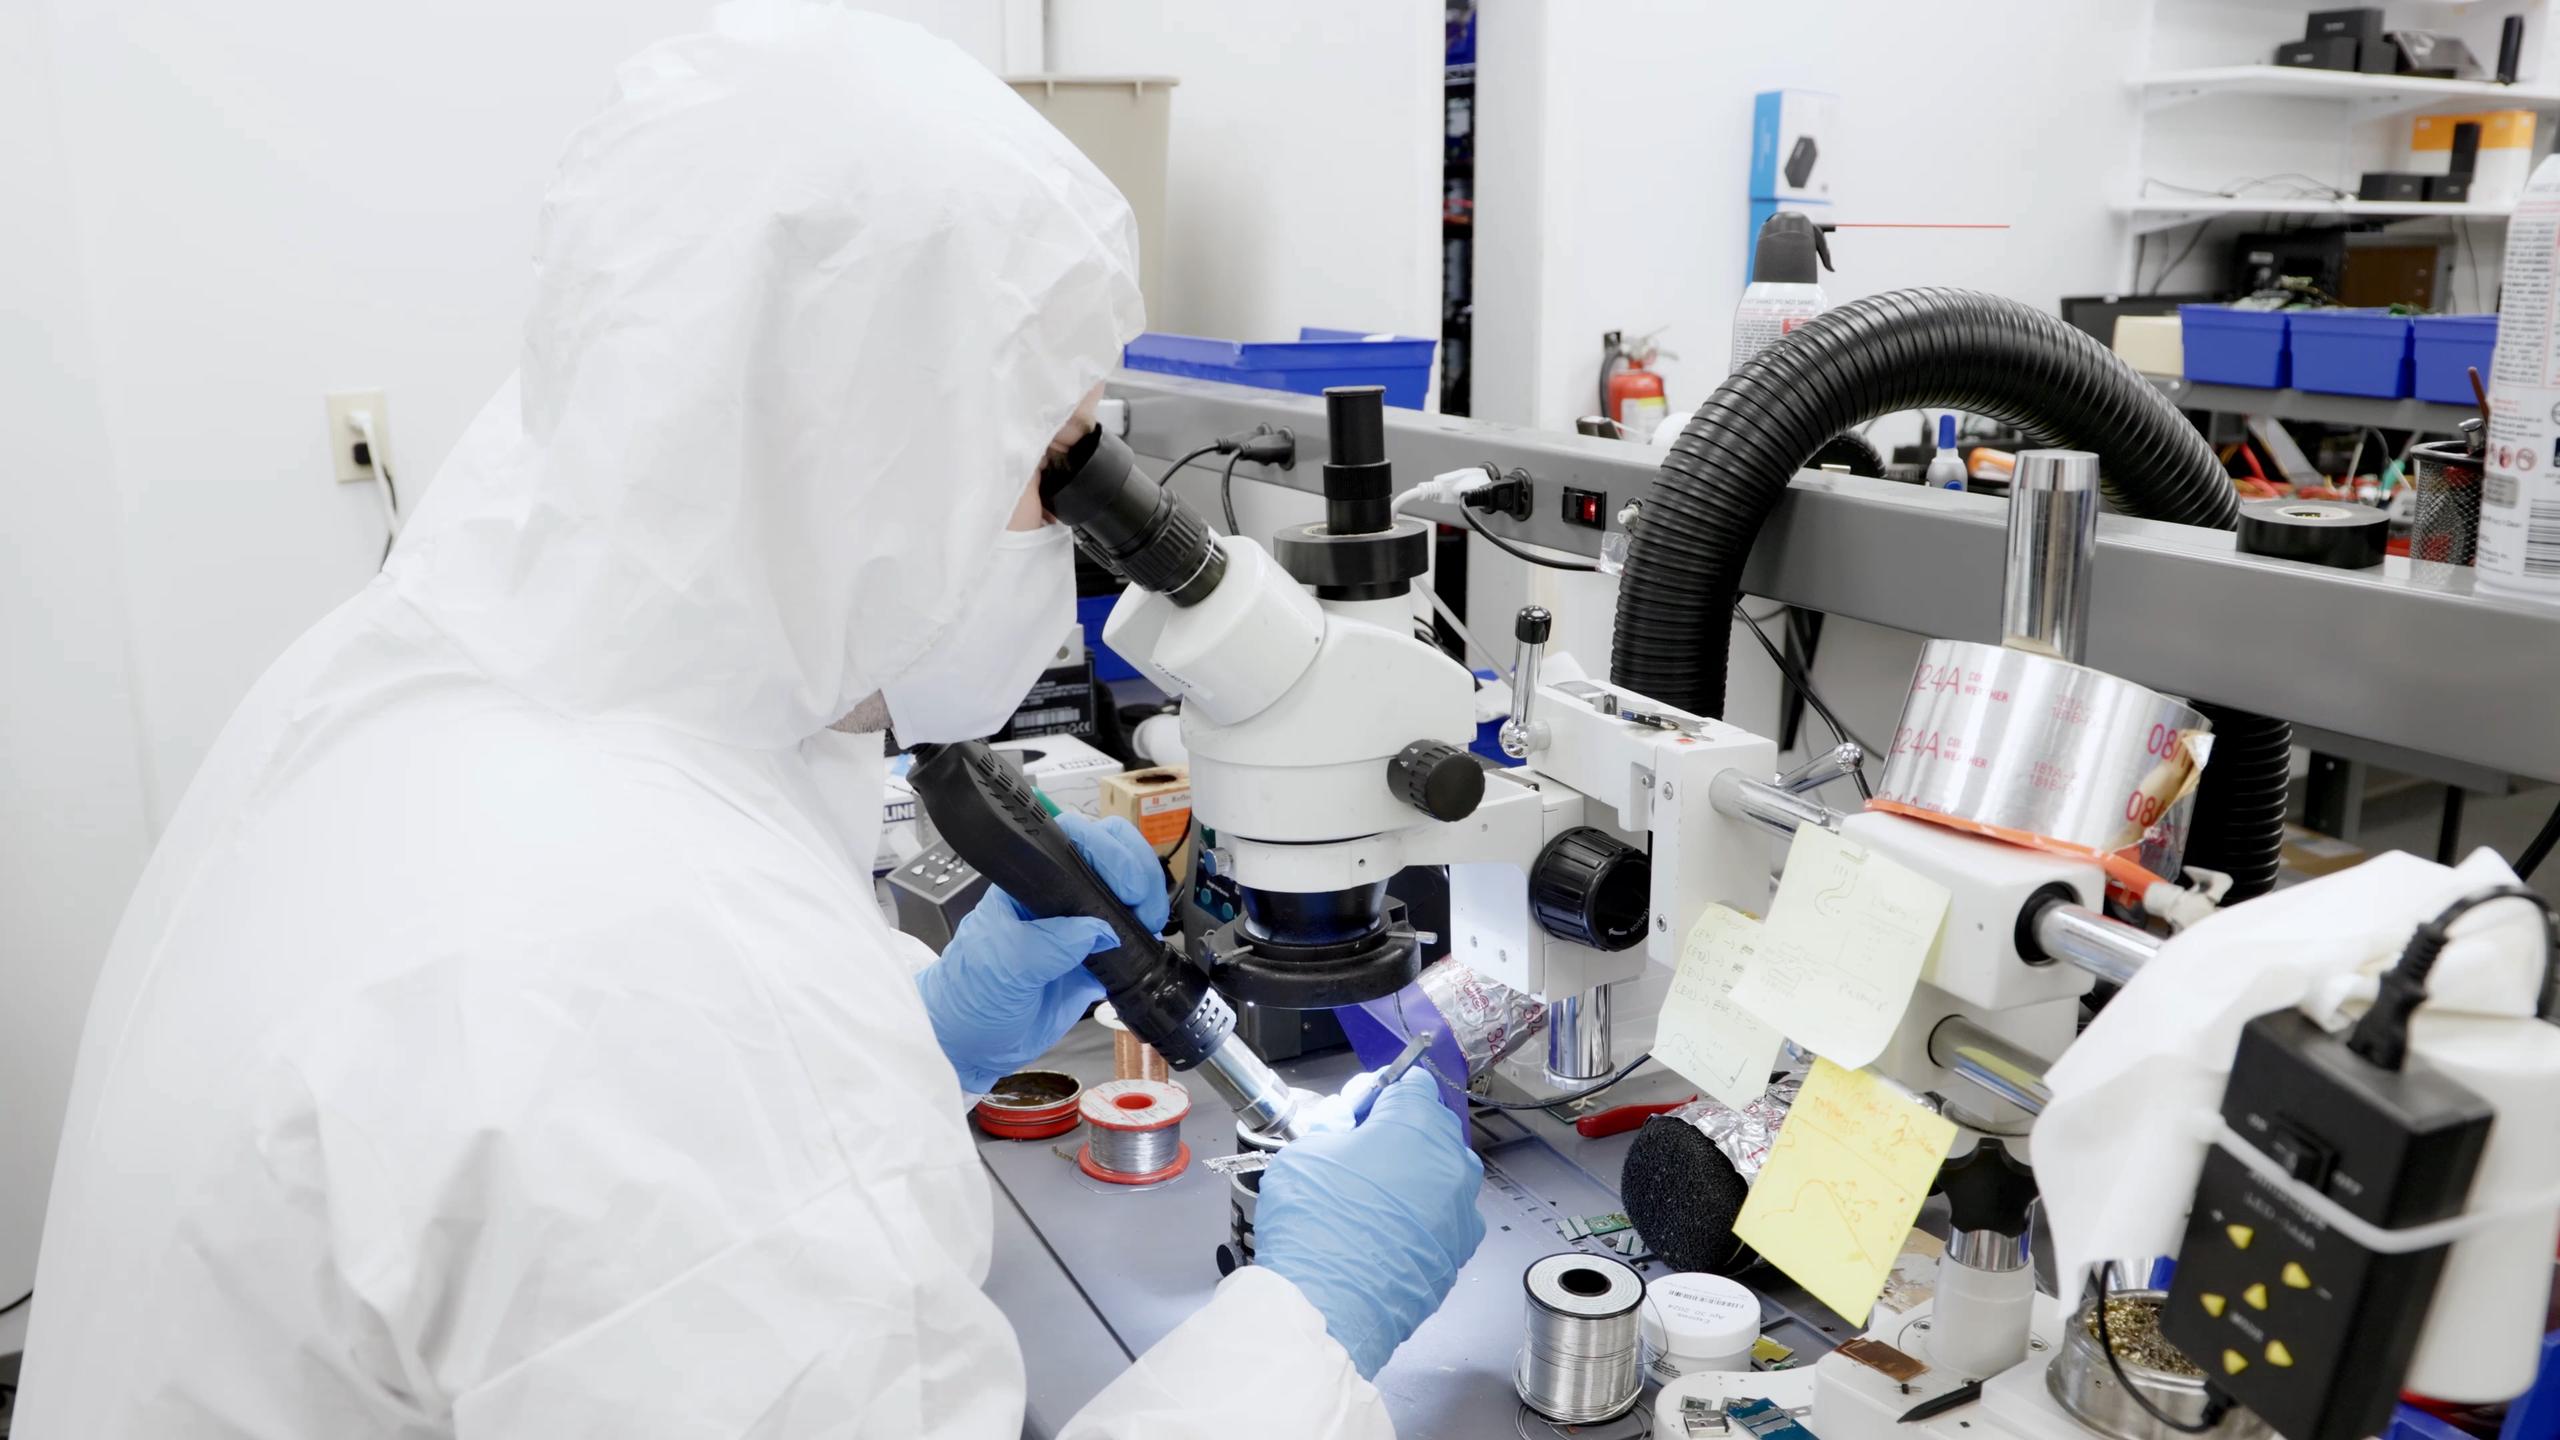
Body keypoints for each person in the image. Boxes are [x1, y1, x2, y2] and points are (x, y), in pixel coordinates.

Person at [12, 6, 1484, 1436]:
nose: (1065, 533)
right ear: (870, 469)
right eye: (1049, 467)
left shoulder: (425, 681)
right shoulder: (663, 975)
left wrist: (918, 1044)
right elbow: (682, 1109)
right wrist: (1308, 1331)